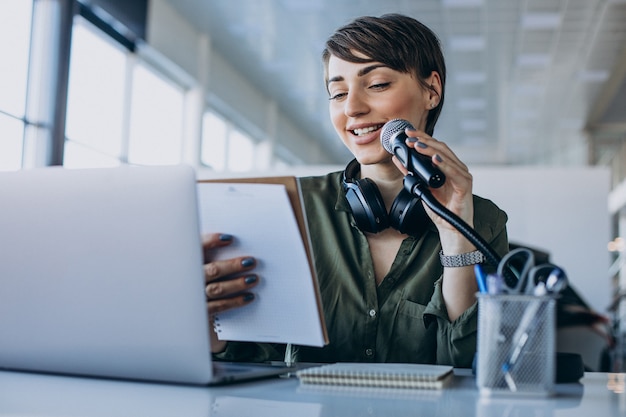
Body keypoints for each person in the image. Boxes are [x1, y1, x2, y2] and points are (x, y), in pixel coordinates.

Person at [203, 13, 509, 368]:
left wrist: (457, 237)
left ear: (432, 90)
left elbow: (471, 366)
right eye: (337, 93)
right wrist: (206, 312)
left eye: (377, 84)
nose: (352, 108)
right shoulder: (293, 207)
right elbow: (245, 358)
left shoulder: (482, 220)